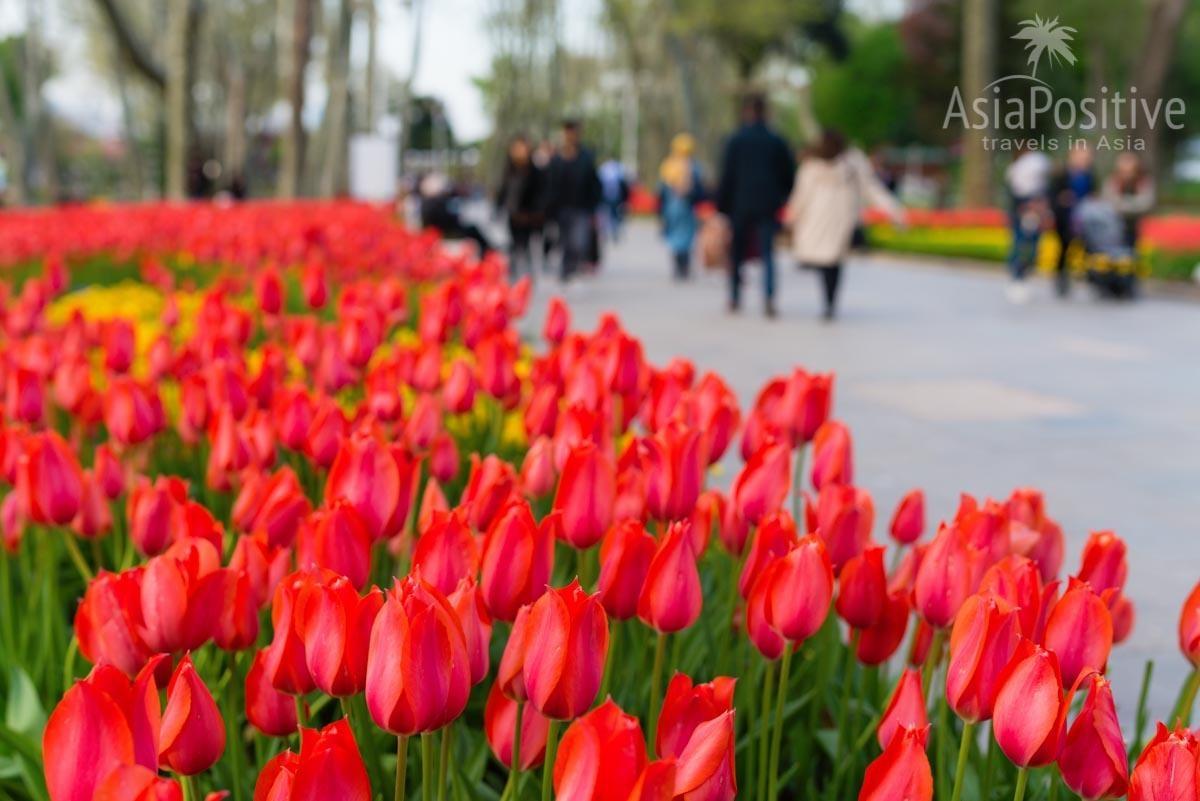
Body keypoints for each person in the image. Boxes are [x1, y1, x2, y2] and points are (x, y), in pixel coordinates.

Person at [784, 129, 903, 321]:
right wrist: (894, 211)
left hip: (817, 220)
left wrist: (791, 217)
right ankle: (830, 303)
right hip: (840, 221)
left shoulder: (810, 168)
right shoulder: (852, 166)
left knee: (824, 263)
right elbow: (872, 189)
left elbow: (800, 198)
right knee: (834, 264)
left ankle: (828, 302)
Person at [716, 94, 796, 318]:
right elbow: (789, 176)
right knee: (768, 253)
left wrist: (722, 206)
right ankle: (769, 298)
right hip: (768, 205)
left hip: (739, 204)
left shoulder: (736, 140)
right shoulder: (777, 140)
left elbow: (727, 176)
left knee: (737, 252)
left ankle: (734, 296)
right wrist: (781, 197)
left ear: (746, 113)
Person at [545, 119, 601, 283]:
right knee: (565, 240)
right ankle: (566, 269)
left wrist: (594, 206)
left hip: (581, 207)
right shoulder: (556, 159)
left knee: (578, 241)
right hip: (561, 208)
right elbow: (550, 185)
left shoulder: (586, 157)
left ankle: (572, 266)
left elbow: (594, 184)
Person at [1004, 143, 1052, 303]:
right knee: (1020, 244)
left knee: (1030, 245)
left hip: (1033, 214)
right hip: (1022, 214)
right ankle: (1017, 276)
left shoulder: (1037, 175)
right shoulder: (1017, 171)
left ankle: (1021, 275)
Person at [494, 134, 546, 281]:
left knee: (527, 246)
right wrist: (499, 207)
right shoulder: (509, 170)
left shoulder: (534, 171)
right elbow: (503, 191)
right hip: (513, 215)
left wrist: (538, 213)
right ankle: (514, 275)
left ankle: (527, 277)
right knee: (514, 246)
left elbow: (540, 193)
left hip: (529, 216)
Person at [1049, 142, 1095, 297]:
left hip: (1084, 217)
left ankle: (1087, 276)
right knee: (1064, 248)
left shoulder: (1089, 175)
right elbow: (1052, 195)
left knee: (1088, 247)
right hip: (1065, 218)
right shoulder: (1062, 174)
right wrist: (1062, 200)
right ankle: (1061, 277)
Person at [657, 134, 705, 280]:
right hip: (687, 208)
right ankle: (684, 267)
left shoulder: (668, 166)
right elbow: (700, 190)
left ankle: (678, 266)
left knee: (675, 238)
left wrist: (661, 211)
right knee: (686, 238)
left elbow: (661, 191)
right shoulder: (694, 166)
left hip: (671, 208)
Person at [418, 172, 492, 258]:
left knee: (474, 229)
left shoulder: (428, 203)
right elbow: (448, 220)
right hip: (446, 234)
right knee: (474, 230)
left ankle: (488, 250)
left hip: (445, 232)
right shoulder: (434, 203)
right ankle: (488, 252)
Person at [1103, 152, 1155, 250]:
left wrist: (1122, 203)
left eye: (1131, 170)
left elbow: (1146, 203)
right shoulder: (1112, 181)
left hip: (1138, 226)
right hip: (1114, 226)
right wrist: (1133, 203)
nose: (1127, 174)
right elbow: (1108, 202)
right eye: (1123, 170)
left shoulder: (1143, 181)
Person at [598, 156, 630, 241]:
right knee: (615, 215)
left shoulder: (603, 168)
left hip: (605, 196)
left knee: (606, 214)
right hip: (615, 196)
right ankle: (614, 231)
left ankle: (606, 232)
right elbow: (623, 184)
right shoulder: (618, 168)